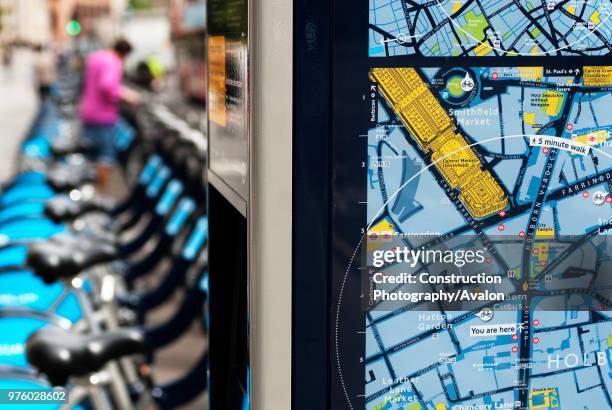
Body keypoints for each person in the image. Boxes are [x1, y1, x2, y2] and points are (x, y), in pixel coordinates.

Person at [80, 38, 139, 190]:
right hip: (103, 115)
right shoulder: (113, 62)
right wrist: (126, 96)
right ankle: (101, 194)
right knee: (105, 157)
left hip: (88, 111)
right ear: (124, 54)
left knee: (92, 155)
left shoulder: (96, 57)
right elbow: (107, 86)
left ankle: (90, 191)